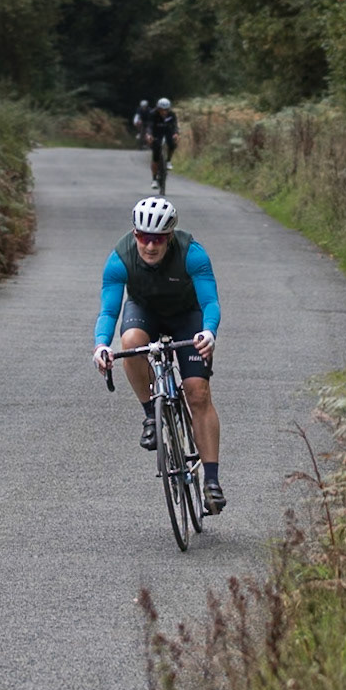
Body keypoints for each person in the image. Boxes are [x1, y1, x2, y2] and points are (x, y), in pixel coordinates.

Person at [91, 196, 226, 513]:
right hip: (145, 312)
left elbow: (210, 303)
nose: (150, 246)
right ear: (135, 233)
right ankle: (151, 413)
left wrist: (209, 332)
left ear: (169, 237)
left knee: (198, 392)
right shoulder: (120, 258)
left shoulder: (192, 253)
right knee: (131, 341)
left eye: (159, 239)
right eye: (143, 237)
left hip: (187, 316)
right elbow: (109, 310)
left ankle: (212, 481)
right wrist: (100, 345)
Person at [146, 98, 178, 190]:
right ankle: (154, 179)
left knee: (172, 143)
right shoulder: (153, 114)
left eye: (166, 110)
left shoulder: (172, 115)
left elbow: (175, 125)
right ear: (158, 109)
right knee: (155, 155)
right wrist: (149, 135)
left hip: (168, 132)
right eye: (161, 110)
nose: (164, 112)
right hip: (156, 133)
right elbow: (149, 126)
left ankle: (168, 161)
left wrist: (176, 133)